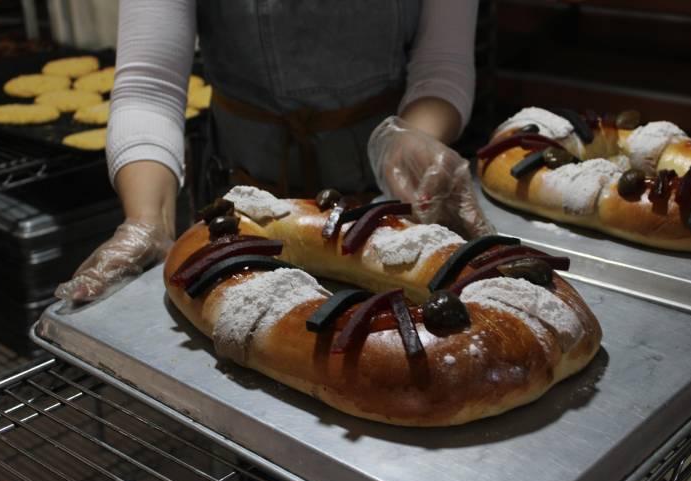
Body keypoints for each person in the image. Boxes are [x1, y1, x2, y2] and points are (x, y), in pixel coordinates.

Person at [56, 0, 493, 303]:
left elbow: (442, 64)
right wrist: (148, 218)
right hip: (245, 205)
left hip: (389, 204)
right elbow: (149, 88)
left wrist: (410, 135)